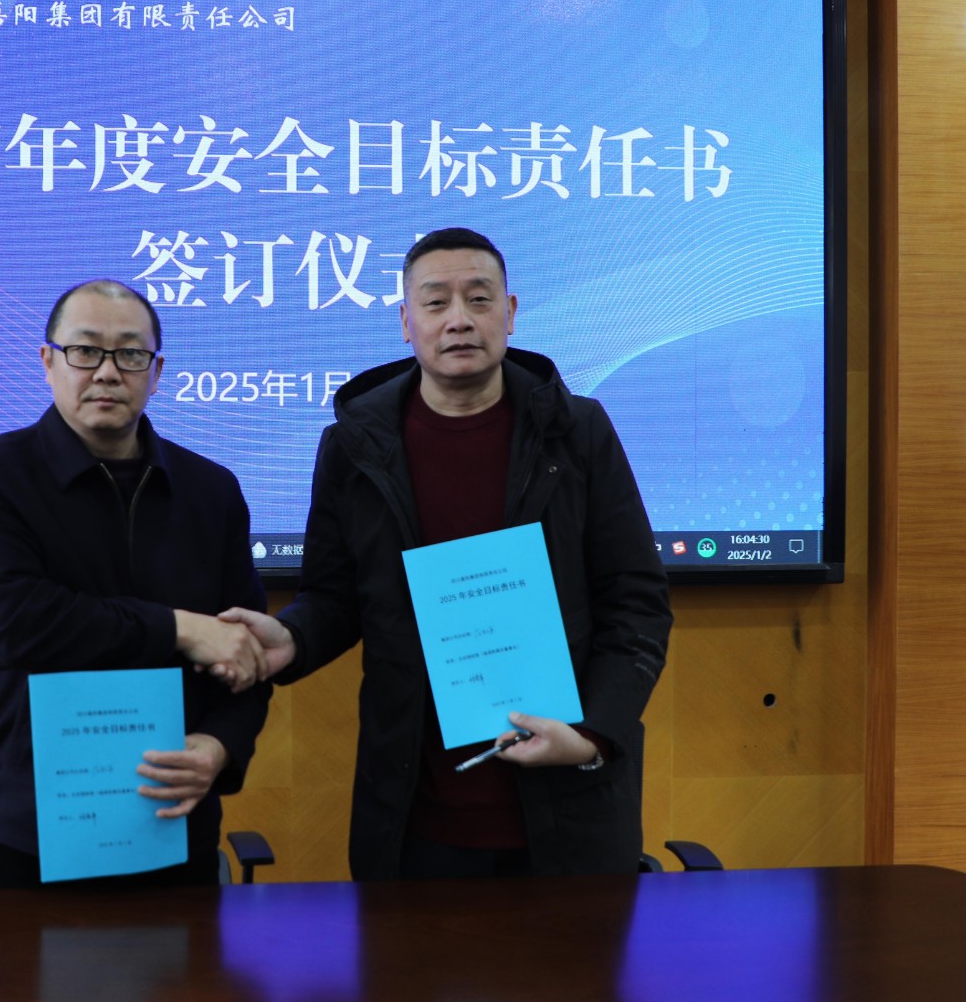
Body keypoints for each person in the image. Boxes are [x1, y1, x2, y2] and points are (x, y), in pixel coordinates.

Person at [215, 228, 671, 880]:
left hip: (567, 808)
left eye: (479, 299)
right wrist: (293, 637)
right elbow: (335, 598)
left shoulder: (578, 432)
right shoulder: (354, 446)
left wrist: (591, 733)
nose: (459, 319)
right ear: (407, 322)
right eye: (435, 302)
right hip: (413, 816)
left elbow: (637, 604)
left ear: (510, 313)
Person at [0, 279, 271, 888]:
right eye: (86, 350)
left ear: (156, 371)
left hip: (173, 820)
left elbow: (244, 651)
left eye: (131, 354)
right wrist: (180, 629)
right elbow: (18, 626)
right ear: (48, 361)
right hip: (29, 827)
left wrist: (220, 747)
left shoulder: (211, 490)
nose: (108, 372)